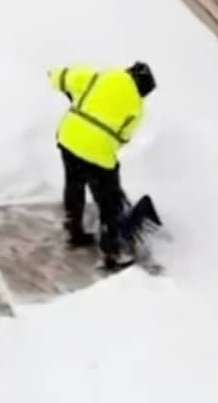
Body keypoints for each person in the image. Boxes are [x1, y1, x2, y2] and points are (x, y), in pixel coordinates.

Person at [47, 61, 156, 270]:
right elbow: (123, 138)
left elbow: (60, 77)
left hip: (70, 138)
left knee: (74, 184)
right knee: (109, 202)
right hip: (98, 154)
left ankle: (74, 231)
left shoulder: (99, 77)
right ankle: (112, 251)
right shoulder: (137, 107)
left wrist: (67, 88)